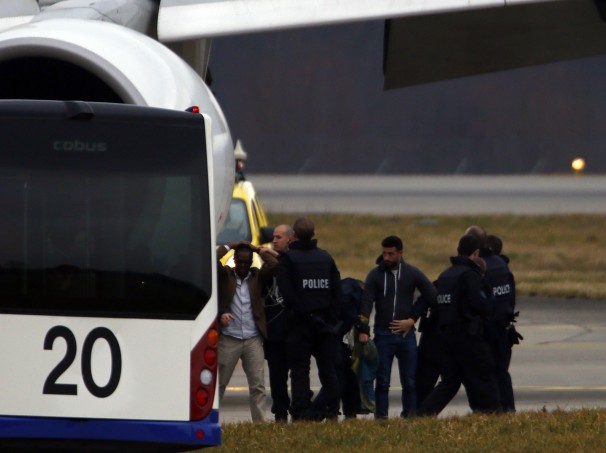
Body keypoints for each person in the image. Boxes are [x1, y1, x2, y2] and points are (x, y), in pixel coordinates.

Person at [417, 234, 501, 416]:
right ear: (476, 252)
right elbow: (479, 304)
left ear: (458, 251)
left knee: (450, 382)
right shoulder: (469, 276)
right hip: (467, 337)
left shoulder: (445, 275)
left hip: (446, 338)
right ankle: (493, 415)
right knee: (484, 375)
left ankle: (421, 415)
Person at [358, 235, 437, 419]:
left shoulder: (411, 273)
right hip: (383, 334)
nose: (386, 257)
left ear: (400, 253)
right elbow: (366, 302)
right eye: (384, 253)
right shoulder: (375, 275)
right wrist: (363, 329)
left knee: (409, 381)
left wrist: (412, 319)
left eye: (391, 254)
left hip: (405, 335)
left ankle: (409, 415)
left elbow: (431, 295)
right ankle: (381, 417)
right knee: (383, 381)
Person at [276, 217, 342, 421]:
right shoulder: (326, 257)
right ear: (314, 235)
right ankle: (326, 411)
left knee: (299, 373)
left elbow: (288, 296)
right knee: (329, 374)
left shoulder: (287, 259)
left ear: (293, 236)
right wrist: (328, 321)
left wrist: (308, 317)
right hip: (324, 326)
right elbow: (336, 293)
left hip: (299, 325)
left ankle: (302, 414)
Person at [217, 241, 278, 422]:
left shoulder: (257, 277)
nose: (243, 266)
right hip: (229, 338)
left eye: (247, 262)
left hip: (253, 338)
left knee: (258, 385)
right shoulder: (225, 276)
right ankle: (211, 420)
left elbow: (274, 264)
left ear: (251, 262)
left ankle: (259, 423)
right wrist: (230, 246)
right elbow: (212, 259)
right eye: (240, 262)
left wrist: (257, 249)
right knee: (219, 384)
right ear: (234, 261)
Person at [466, 226, 517, 412]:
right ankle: (508, 409)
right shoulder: (502, 265)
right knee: (502, 372)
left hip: (486, 330)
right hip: (504, 327)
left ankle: (491, 410)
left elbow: (476, 301)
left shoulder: (479, 268)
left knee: (485, 373)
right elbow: (511, 297)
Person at [263, 224, 295, 422]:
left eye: (279, 237)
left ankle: (300, 407)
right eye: (274, 237)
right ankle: (280, 411)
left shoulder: (295, 263)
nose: (275, 240)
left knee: (299, 373)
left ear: (289, 239)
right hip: (274, 331)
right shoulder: (268, 265)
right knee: (277, 375)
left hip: (294, 329)